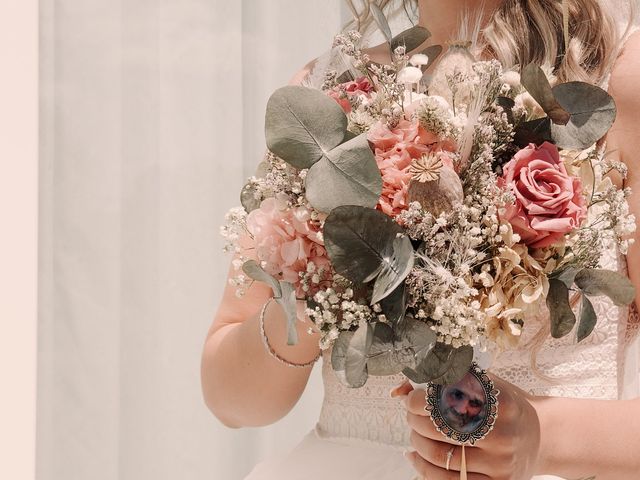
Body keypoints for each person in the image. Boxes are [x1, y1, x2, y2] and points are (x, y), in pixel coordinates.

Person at [201, 1, 640, 478]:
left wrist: (544, 437)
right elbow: (230, 400)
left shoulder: (614, 78)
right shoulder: (324, 95)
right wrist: (318, 296)